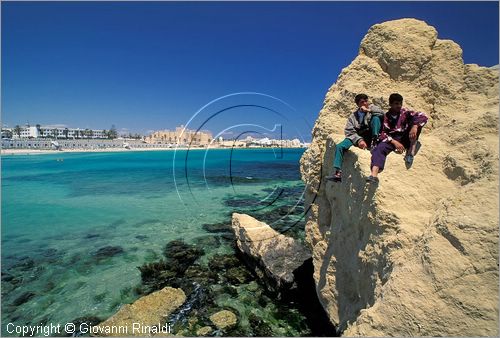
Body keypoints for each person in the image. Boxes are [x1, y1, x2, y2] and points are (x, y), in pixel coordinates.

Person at [366, 93, 428, 184]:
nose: (399, 106)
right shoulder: (386, 117)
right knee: (379, 148)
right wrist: (394, 142)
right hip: (393, 139)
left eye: (400, 103)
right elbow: (382, 133)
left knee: (416, 123)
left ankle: (410, 151)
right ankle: (374, 175)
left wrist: (414, 126)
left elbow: (423, 116)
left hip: (406, 137)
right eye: (396, 104)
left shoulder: (405, 113)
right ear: (390, 104)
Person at [325, 93, 384, 182]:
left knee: (376, 118)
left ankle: (375, 142)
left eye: (366, 101)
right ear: (358, 104)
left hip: (371, 134)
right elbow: (349, 131)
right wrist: (359, 140)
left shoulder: (372, 108)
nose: (365, 103)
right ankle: (337, 173)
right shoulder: (353, 116)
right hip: (358, 136)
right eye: (362, 102)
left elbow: (381, 114)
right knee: (340, 146)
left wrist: (368, 110)